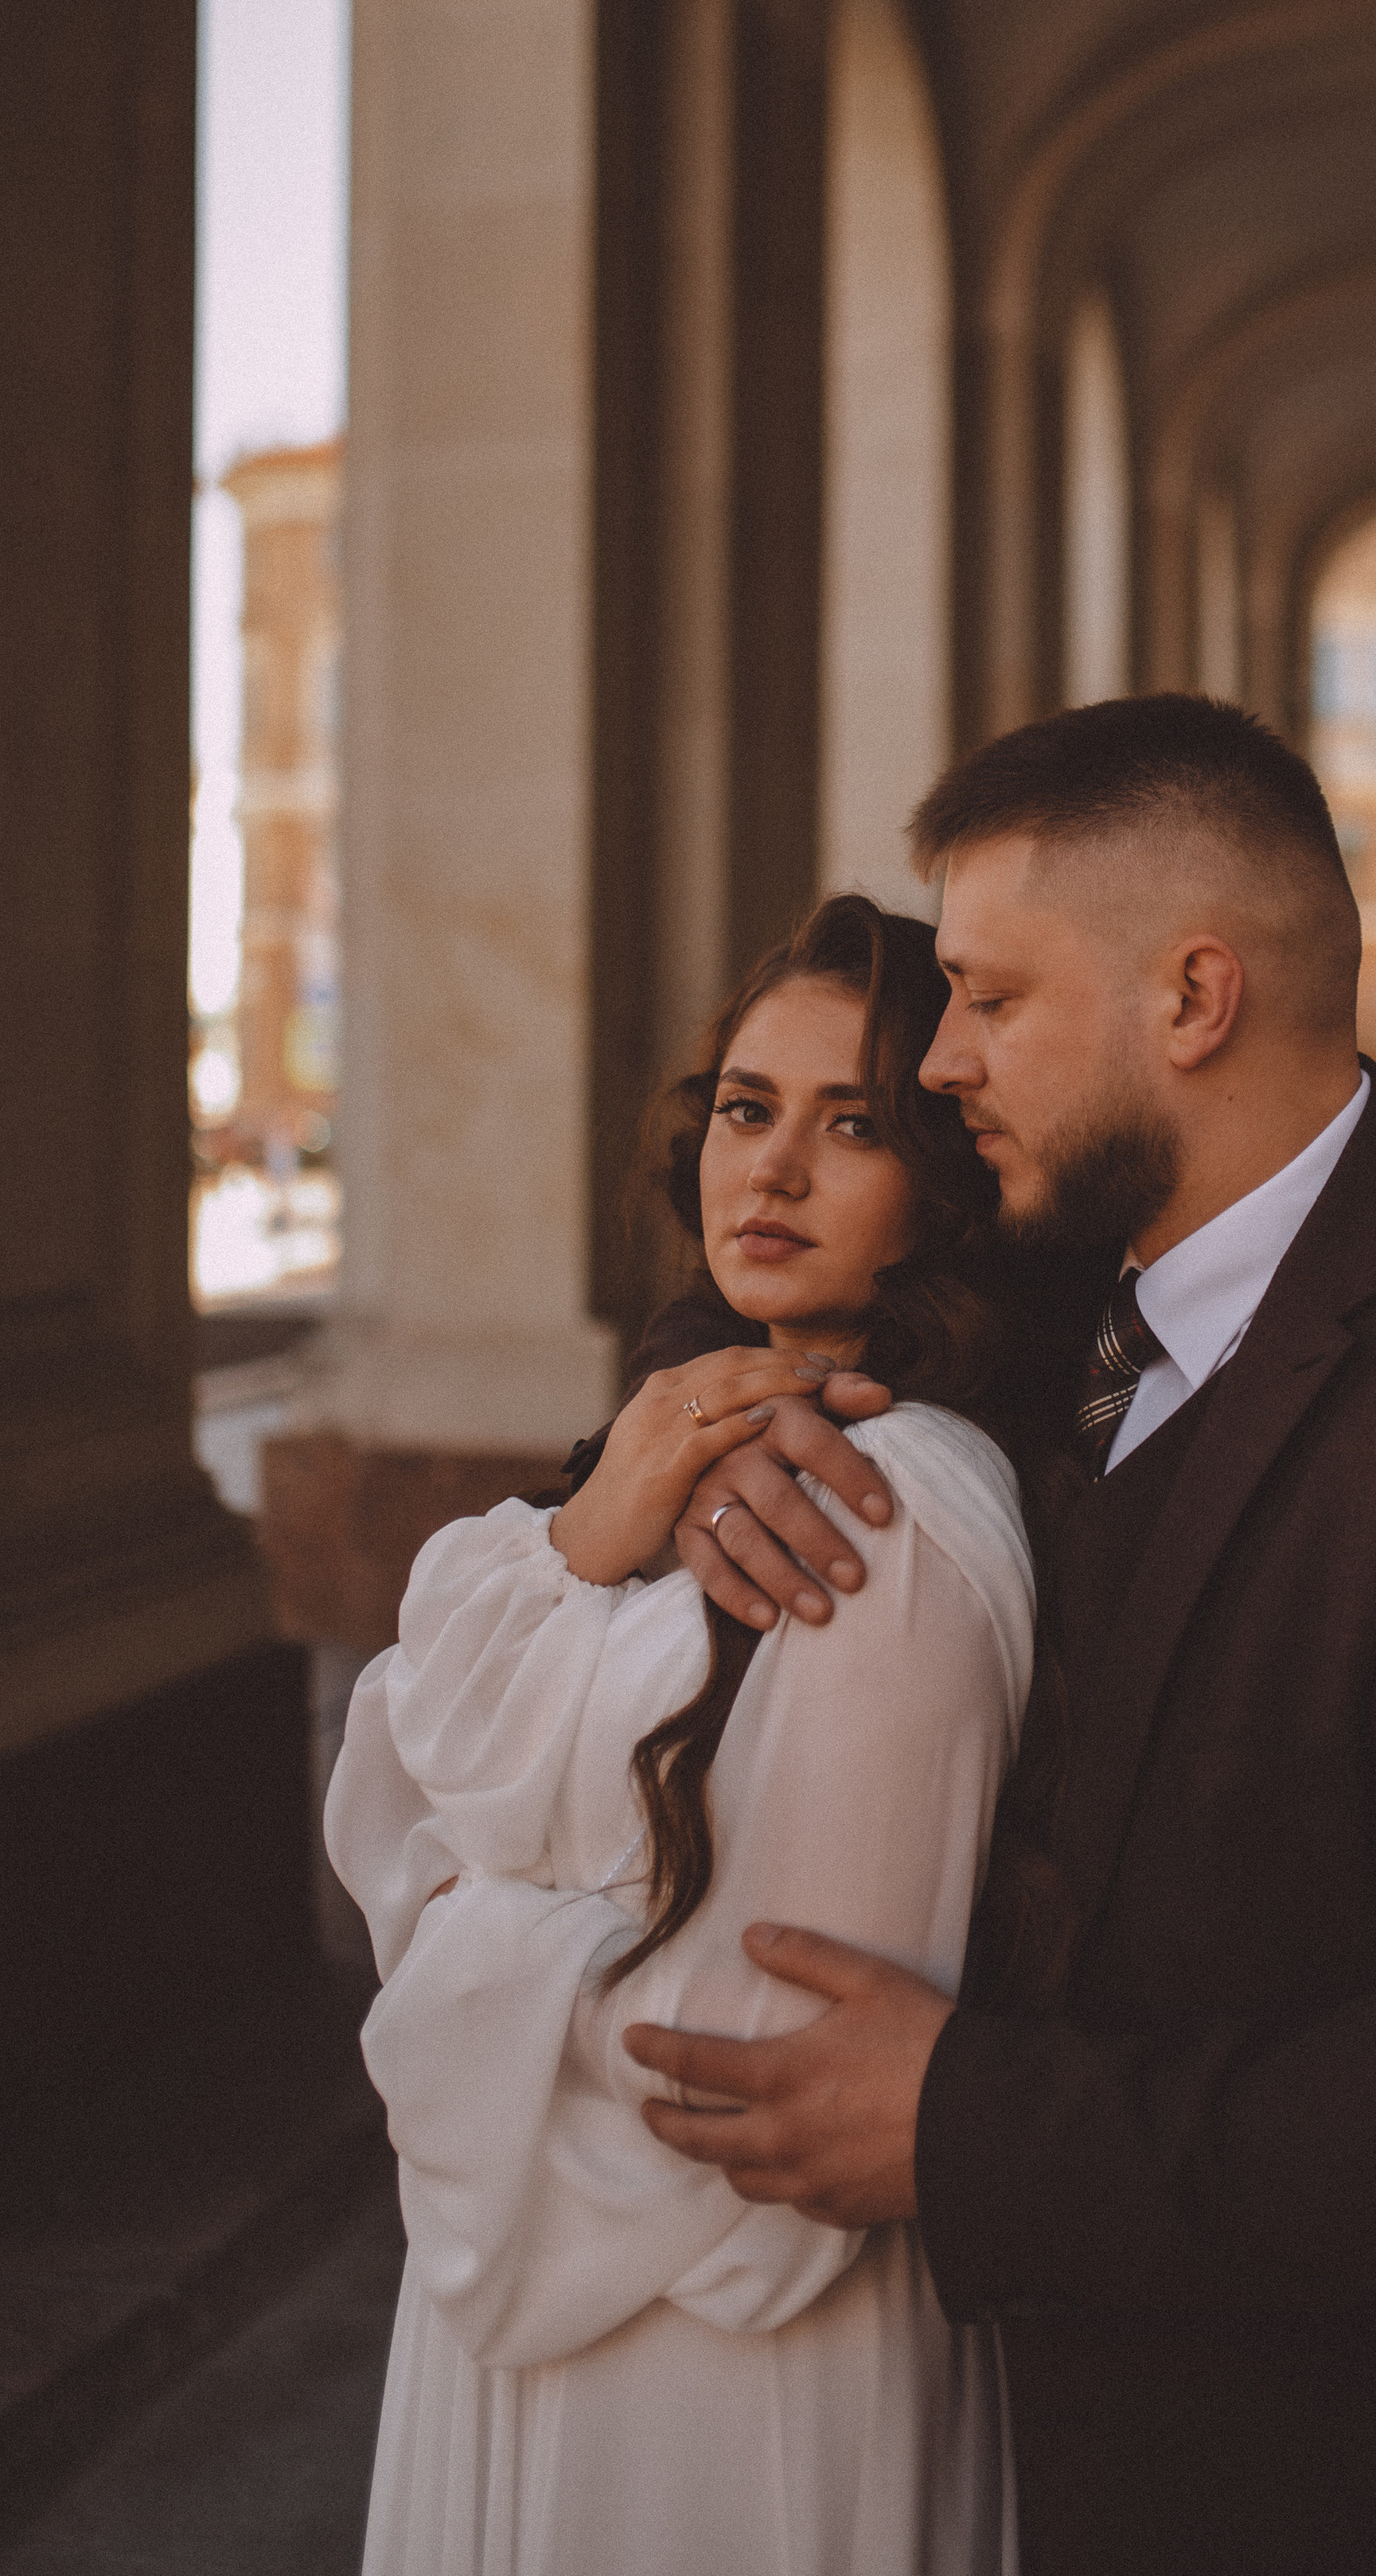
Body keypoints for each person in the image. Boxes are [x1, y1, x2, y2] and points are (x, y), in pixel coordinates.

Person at [618, 696, 1376, 2576]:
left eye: (988, 1003)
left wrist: (967, 2125)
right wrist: (679, 1443)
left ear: (1193, 1000)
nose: (944, 1071)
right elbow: (781, 1268)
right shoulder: (1076, 1269)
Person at [325, 897, 1063, 2576]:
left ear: (944, 1183)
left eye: (853, 1123)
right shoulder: (679, 1438)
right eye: (747, 1107)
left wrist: (448, 1936)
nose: (773, 1172)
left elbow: (759, 2066)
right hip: (564, 2307)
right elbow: (412, 1747)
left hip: (727, 2361)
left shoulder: (884, 1514)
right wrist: (593, 1530)